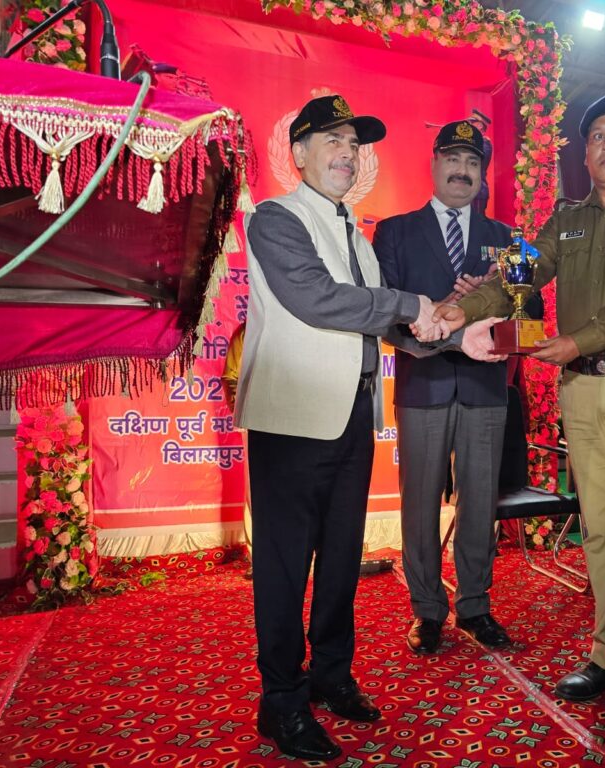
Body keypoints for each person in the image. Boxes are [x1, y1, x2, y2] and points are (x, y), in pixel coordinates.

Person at [431, 87, 605, 728]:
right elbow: (519, 269)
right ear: (583, 151)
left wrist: (579, 339)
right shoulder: (566, 218)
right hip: (582, 388)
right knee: (599, 529)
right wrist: (461, 308)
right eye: (597, 136)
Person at [235, 94, 455, 761]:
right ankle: (281, 701)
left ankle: (331, 676)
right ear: (298, 152)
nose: (347, 154)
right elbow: (317, 298)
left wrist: (448, 335)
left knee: (340, 560)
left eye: (354, 144)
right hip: (293, 420)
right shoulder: (276, 218)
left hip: (353, 413)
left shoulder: (357, 233)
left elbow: (381, 322)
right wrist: (414, 303)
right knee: (283, 567)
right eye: (332, 140)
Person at [373, 120, 513, 656]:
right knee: (419, 502)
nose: (462, 171)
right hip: (423, 382)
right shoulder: (395, 232)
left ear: (482, 175)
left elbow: (529, 310)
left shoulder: (505, 239)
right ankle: (427, 610)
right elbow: (385, 313)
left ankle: (475, 606)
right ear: (433, 165)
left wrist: (484, 301)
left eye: (473, 163)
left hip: (485, 386)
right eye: (452, 160)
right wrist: (443, 324)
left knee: (480, 502)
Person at [221, 323, 252, 579]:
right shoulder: (247, 331)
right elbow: (230, 377)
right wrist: (244, 411)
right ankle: (260, 557)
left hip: (294, 423)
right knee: (257, 493)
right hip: (256, 422)